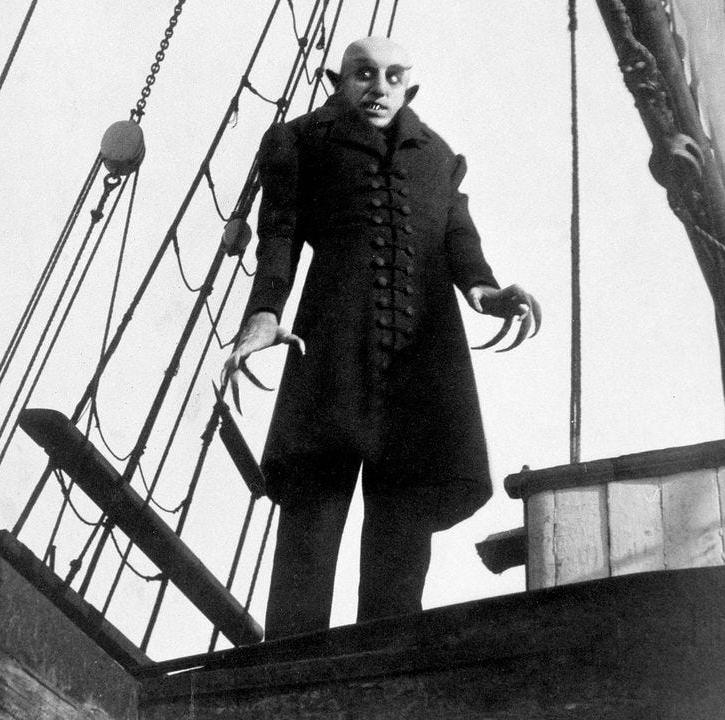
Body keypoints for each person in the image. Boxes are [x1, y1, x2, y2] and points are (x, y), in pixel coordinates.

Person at [223, 37, 539, 639]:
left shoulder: (438, 156)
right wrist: (263, 315)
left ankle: (385, 663)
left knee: (402, 534)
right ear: (336, 81)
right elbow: (279, 236)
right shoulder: (299, 141)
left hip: (422, 360)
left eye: (394, 77)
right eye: (364, 74)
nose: (379, 87)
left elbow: (457, 238)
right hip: (331, 351)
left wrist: (486, 291)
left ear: (409, 89)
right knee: (312, 518)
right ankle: (290, 660)